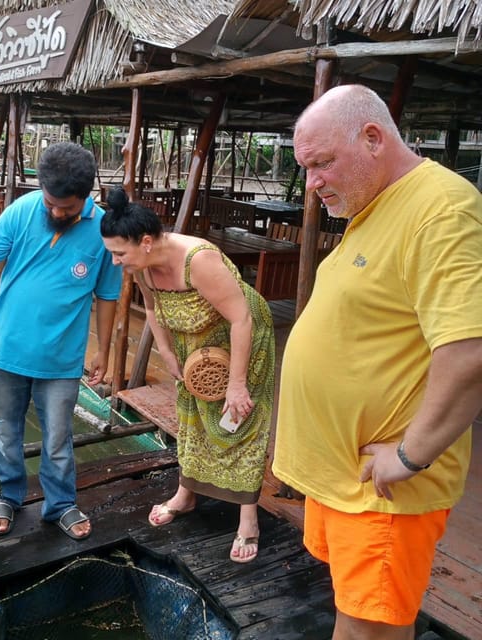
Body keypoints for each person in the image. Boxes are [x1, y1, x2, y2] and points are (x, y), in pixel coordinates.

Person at [272, 84, 482, 639]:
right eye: (306, 168)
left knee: (370, 630)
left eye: (321, 165)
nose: (311, 185)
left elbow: (469, 352)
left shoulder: (441, 208)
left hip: (384, 492)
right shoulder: (377, 204)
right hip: (348, 483)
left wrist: (411, 457)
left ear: (372, 138)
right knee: (359, 616)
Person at [0, 142, 122, 540]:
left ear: (88, 195)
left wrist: (103, 351)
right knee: (4, 431)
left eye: (67, 208)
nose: (56, 213)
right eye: (50, 203)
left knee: (58, 438)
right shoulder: (22, 211)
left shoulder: (103, 229)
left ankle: (60, 504)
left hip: (62, 359)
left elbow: (108, 296)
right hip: (5, 352)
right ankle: (7, 494)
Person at [100, 187, 275, 563]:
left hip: (240, 342)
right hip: (189, 344)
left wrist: (237, 383)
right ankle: (187, 493)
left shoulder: (199, 261)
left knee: (237, 422)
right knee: (192, 418)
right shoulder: (142, 266)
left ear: (146, 242)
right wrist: (165, 350)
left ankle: (248, 517)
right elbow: (150, 308)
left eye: (119, 253)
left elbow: (241, 318)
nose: (114, 262)